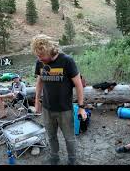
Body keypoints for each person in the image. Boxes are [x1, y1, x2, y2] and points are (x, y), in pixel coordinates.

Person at [31, 34, 87, 165]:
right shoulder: (40, 62)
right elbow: (39, 81)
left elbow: (79, 85)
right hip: (47, 108)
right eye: (37, 56)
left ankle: (72, 160)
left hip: (64, 109)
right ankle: (54, 157)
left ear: (51, 51)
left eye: (41, 55)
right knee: (51, 136)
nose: (39, 59)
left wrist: (81, 107)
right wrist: (37, 100)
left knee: (69, 138)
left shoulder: (67, 61)